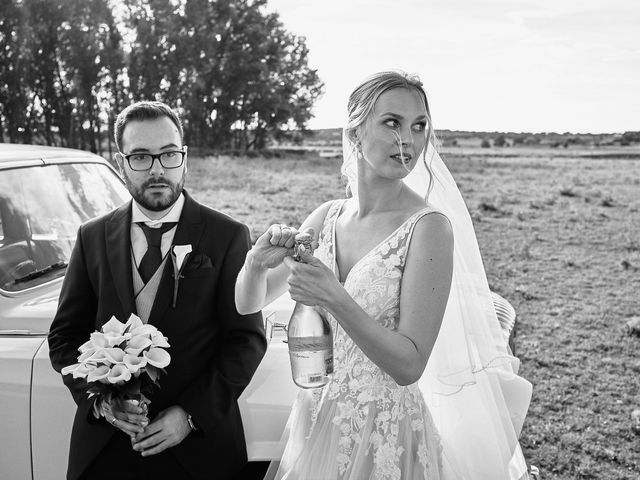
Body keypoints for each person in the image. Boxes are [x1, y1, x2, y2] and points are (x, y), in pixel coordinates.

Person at [235, 71, 532, 479]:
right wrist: (255, 261)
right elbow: (247, 302)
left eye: (419, 126)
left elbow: (409, 364)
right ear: (355, 131)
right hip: (315, 419)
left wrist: (333, 296)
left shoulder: (427, 228)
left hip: (384, 433)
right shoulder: (326, 217)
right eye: (391, 122)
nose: (406, 139)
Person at [48, 101, 267, 480]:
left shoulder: (227, 236)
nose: (157, 170)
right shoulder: (91, 237)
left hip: (199, 454)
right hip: (106, 453)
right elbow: (64, 337)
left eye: (168, 155)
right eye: (141, 157)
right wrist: (103, 404)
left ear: (184, 158)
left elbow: (246, 340)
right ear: (121, 164)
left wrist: (190, 416)